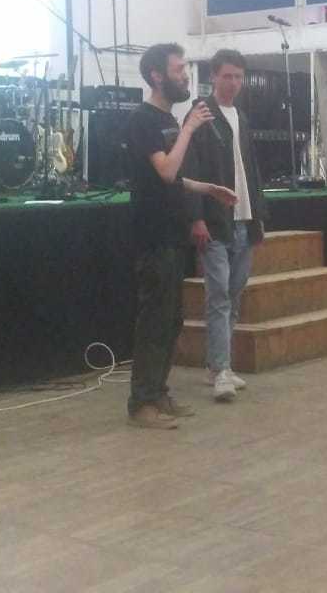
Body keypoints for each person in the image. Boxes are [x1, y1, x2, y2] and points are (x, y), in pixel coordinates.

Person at [126, 42, 236, 430]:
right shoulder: (143, 119)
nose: (185, 75)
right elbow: (166, 171)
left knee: (171, 321)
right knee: (154, 322)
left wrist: (208, 189)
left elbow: (177, 179)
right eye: (178, 70)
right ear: (157, 76)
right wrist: (190, 128)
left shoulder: (168, 119)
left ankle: (158, 394)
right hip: (153, 235)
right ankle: (141, 404)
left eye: (185, 68)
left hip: (173, 236)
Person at [184, 49, 267, 403]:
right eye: (227, 76)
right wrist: (196, 217)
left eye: (238, 76)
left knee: (233, 295)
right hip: (215, 222)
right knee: (218, 296)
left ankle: (219, 364)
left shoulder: (241, 117)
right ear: (213, 77)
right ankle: (221, 369)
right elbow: (190, 169)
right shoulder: (200, 115)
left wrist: (258, 217)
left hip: (244, 220)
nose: (233, 83)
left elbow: (251, 170)